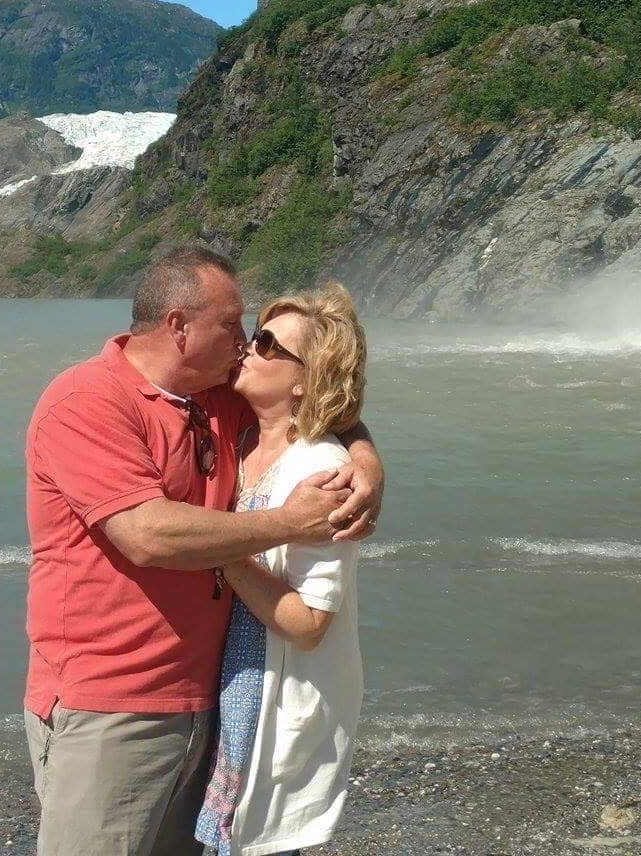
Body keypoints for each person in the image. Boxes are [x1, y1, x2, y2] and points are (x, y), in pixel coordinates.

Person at [22, 246, 384, 856]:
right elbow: (148, 535)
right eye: (234, 326)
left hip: (209, 699)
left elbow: (324, 405)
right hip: (114, 702)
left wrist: (368, 464)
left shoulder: (218, 396)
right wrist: (289, 521)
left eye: (259, 337)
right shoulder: (86, 403)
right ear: (179, 326)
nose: (245, 343)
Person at [196, 282, 368, 856]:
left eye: (268, 344)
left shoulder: (321, 466)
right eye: (253, 335)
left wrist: (216, 545)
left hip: (273, 693)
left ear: (305, 379)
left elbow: (310, 622)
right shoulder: (235, 436)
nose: (248, 347)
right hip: (223, 685)